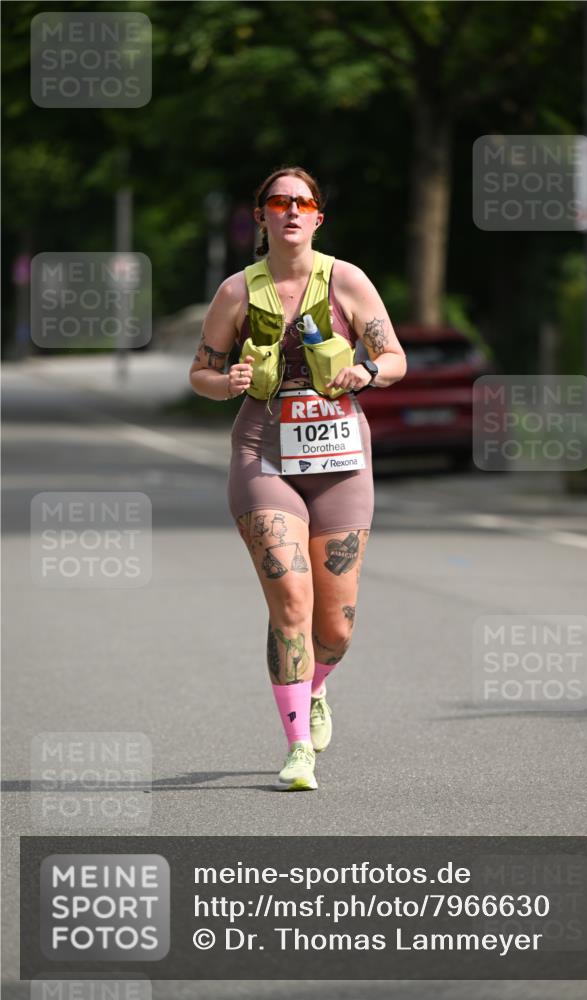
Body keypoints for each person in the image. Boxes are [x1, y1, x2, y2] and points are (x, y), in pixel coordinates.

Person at [189, 166, 406, 790]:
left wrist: (364, 373)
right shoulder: (235, 292)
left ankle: (315, 688)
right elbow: (200, 371)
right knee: (290, 600)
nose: (290, 210)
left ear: (317, 217)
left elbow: (393, 358)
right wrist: (222, 381)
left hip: (339, 454)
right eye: (277, 201)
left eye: (302, 202)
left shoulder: (346, 280)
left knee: (335, 624)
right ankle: (296, 749)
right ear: (260, 216)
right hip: (264, 450)